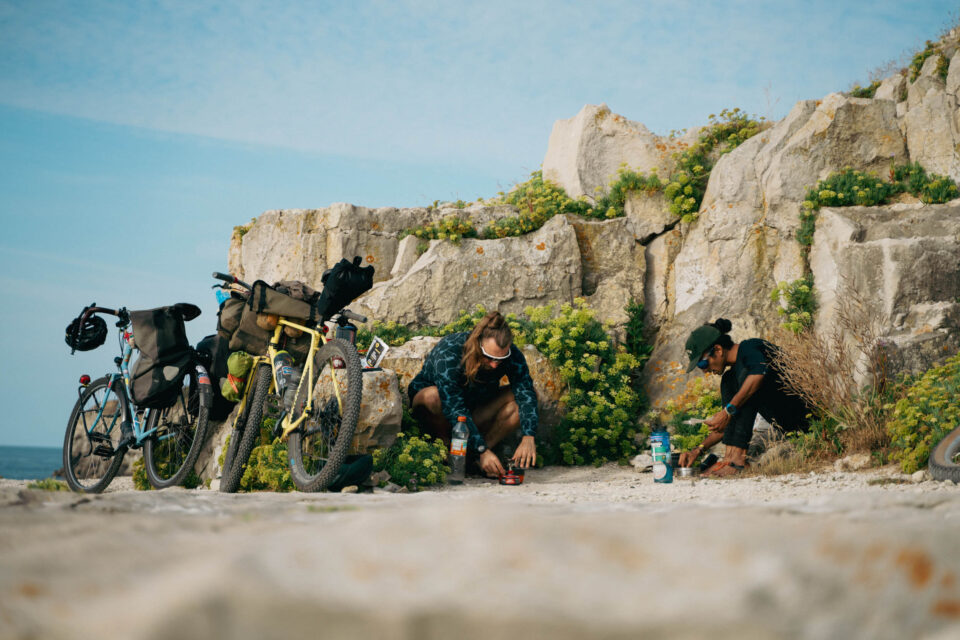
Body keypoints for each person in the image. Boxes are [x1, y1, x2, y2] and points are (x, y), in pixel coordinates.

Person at [408, 311, 538, 478]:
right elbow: (453, 407)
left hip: (475, 412)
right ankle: (447, 452)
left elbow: (525, 390)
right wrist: (480, 450)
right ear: (478, 343)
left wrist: (529, 435)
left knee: (527, 396)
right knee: (433, 396)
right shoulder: (450, 351)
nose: (495, 364)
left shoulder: (511, 356)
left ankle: (475, 458)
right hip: (440, 416)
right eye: (489, 357)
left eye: (501, 359)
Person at [677, 318, 812, 477]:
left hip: (810, 420)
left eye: (702, 365)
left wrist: (727, 411)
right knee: (729, 380)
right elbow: (727, 423)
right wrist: (697, 450)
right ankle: (728, 458)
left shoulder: (751, 347)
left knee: (749, 379)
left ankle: (738, 462)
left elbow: (757, 376)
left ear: (718, 350)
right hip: (791, 429)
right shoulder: (732, 376)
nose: (705, 371)